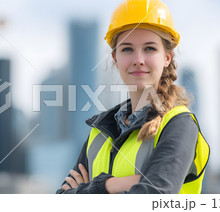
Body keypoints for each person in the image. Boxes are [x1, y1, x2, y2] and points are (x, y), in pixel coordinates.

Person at [56, 0, 209, 194]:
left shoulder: (179, 124)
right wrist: (113, 185)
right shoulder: (100, 131)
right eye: (127, 49)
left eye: (150, 48)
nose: (138, 60)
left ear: (167, 57)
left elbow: (154, 197)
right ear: (115, 58)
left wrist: (92, 188)